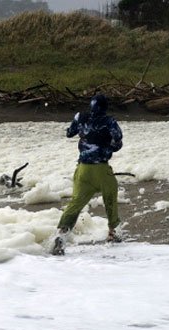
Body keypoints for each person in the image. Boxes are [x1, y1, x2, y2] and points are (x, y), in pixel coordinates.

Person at [51, 94, 123, 255]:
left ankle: (61, 235)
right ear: (105, 107)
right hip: (101, 169)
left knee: (75, 203)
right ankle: (113, 233)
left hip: (82, 169)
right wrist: (109, 148)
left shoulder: (80, 117)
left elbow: (69, 133)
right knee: (110, 198)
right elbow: (118, 140)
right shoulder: (109, 121)